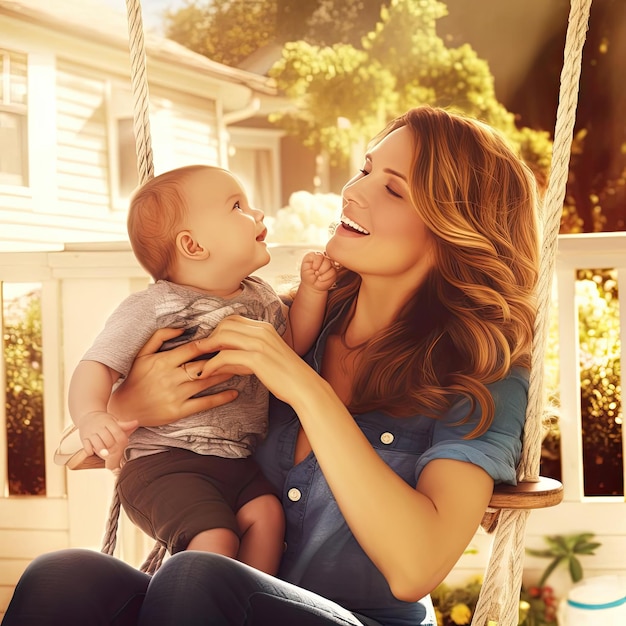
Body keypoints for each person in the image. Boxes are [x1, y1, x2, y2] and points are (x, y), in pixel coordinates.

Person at [2, 105, 540, 626]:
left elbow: (415, 568)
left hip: (351, 617)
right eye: (366, 170)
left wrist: (305, 387)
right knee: (63, 575)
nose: (354, 191)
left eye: (393, 188)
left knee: (197, 577)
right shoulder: (283, 320)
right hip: (208, 603)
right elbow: (74, 456)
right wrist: (132, 406)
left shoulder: (481, 374)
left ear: (455, 228)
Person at [65, 164, 337, 575]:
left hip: (236, 461)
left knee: (267, 517)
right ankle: (197, 601)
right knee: (216, 538)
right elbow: (98, 364)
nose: (258, 214)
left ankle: (249, 604)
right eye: (237, 206)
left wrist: (313, 293)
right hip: (164, 464)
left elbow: (291, 346)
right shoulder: (155, 305)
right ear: (193, 246)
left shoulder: (259, 299)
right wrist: (91, 414)